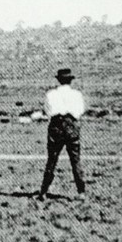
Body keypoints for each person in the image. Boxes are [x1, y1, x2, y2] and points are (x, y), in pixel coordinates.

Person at [39, 68, 86, 199]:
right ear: (70, 80)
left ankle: (43, 192)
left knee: (52, 159)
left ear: (59, 80)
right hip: (72, 126)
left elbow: (47, 112)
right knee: (75, 159)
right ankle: (81, 192)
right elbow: (80, 111)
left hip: (56, 126)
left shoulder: (51, 94)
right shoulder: (77, 95)